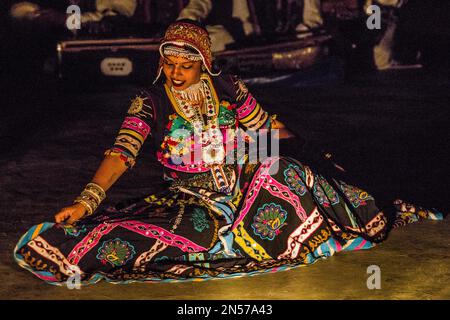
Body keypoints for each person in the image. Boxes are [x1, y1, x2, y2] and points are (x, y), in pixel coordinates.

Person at [14, 19, 443, 285]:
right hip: (194, 197)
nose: (176, 73)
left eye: (186, 65)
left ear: (204, 61)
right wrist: (88, 198)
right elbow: (122, 152)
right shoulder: (150, 100)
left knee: (287, 169)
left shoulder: (228, 88)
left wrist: (316, 155)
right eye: (169, 64)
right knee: (179, 238)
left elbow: (267, 129)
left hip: (244, 183)